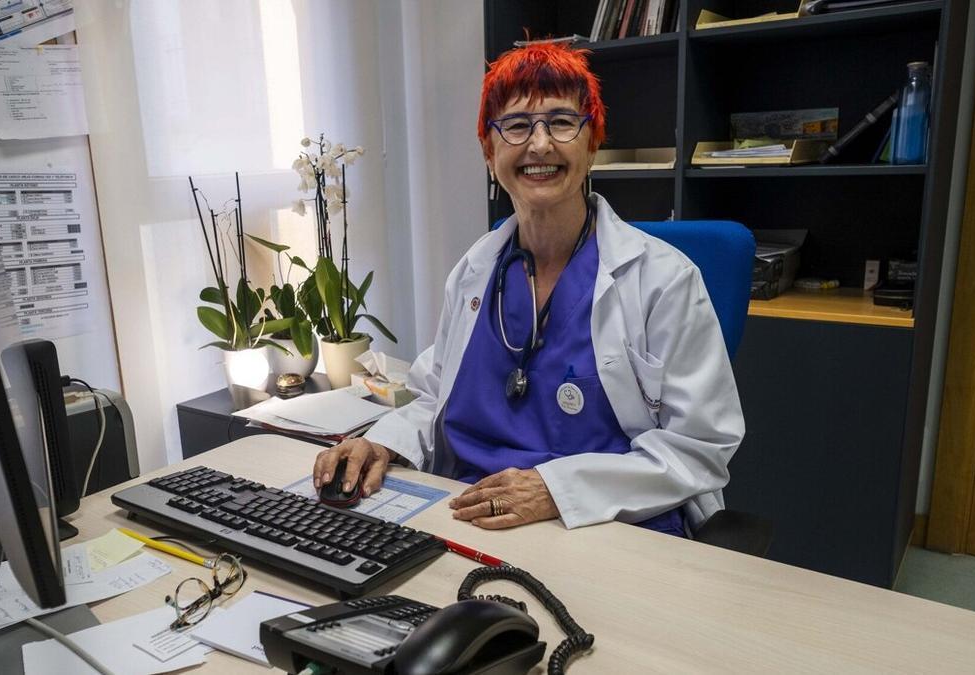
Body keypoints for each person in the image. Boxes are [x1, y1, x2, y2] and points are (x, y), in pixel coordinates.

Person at [312, 42, 744, 537]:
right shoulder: (475, 270)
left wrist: (556, 488)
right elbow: (437, 398)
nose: (539, 145)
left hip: (609, 523)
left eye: (562, 122)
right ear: (489, 151)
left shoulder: (664, 279)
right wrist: (383, 442)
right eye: (516, 126)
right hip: (463, 515)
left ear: (593, 143)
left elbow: (701, 446)